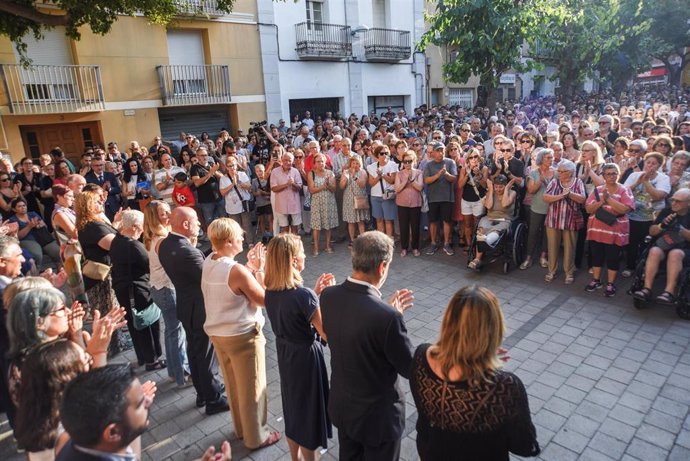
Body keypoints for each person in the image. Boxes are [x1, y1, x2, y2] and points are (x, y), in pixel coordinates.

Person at [410, 285, 540, 460]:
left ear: (448, 320)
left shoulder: (421, 356)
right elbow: (523, 445)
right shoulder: (505, 387)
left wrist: (475, 355)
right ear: (494, 328)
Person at [320, 231, 414, 460]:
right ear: (382, 267)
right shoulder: (388, 317)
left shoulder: (328, 296)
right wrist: (392, 312)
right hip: (378, 420)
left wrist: (384, 309)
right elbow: (410, 367)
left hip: (344, 408)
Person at [201, 218, 281, 449]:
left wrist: (250, 267)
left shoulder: (209, 260)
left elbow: (233, 284)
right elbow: (265, 299)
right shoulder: (235, 270)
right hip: (242, 336)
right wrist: (259, 269)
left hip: (219, 335)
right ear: (227, 241)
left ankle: (240, 429)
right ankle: (257, 437)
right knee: (252, 388)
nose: (243, 237)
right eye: (239, 236)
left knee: (234, 385)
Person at [264, 234, 333, 460]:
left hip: (286, 354)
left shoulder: (271, 291)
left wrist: (315, 294)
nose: (305, 255)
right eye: (302, 252)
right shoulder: (304, 296)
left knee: (293, 408)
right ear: (293, 260)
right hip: (306, 358)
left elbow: (292, 310)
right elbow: (326, 333)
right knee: (309, 414)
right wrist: (325, 299)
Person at [158, 207, 228, 415]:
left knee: (195, 351)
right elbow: (208, 276)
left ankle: (203, 391)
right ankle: (213, 399)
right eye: (196, 221)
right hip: (199, 309)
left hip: (186, 306)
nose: (199, 225)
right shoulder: (186, 251)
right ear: (186, 224)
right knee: (206, 355)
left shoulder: (166, 244)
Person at [109, 210, 165, 370]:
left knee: (135, 326)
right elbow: (150, 267)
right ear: (134, 226)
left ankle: (142, 357)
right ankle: (152, 360)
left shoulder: (116, 240)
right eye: (141, 225)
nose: (143, 228)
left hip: (124, 290)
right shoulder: (134, 246)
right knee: (147, 324)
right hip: (138, 291)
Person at [142, 200, 190, 387]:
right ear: (155, 218)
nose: (169, 215)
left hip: (159, 288)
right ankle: (181, 373)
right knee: (176, 333)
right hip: (166, 290)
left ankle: (174, 371)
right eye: (164, 213)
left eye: (169, 211)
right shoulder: (161, 240)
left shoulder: (154, 236)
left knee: (172, 331)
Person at [584, 164, 634, 297]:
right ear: (604, 176)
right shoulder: (597, 189)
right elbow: (588, 209)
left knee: (613, 258)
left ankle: (611, 284)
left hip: (615, 230)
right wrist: (601, 202)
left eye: (614, 173)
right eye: (609, 174)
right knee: (596, 256)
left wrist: (609, 199)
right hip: (596, 230)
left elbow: (625, 209)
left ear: (618, 174)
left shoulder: (624, 190)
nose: (612, 176)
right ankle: (596, 280)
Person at [633, 188, 690, 304]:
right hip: (663, 246)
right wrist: (661, 225)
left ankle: (668, 292)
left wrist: (680, 229)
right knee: (654, 250)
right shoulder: (666, 211)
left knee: (675, 254)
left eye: (678, 201)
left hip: (684, 250)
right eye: (673, 200)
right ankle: (646, 289)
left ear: (688, 203)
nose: (673, 203)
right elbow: (652, 232)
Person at [622, 152, 671, 276]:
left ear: (659, 166)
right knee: (631, 243)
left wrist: (647, 182)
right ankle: (630, 266)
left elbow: (659, 196)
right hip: (632, 216)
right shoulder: (634, 175)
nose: (650, 166)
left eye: (654, 164)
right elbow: (623, 192)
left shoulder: (663, 178)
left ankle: (644, 269)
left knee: (646, 244)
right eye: (648, 162)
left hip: (651, 217)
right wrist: (638, 182)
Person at [543, 160, 586, 284]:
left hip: (570, 220)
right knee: (552, 247)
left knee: (570, 248)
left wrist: (570, 194)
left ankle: (569, 272)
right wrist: (561, 196)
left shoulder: (578, 182)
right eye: (559, 171)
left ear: (571, 172)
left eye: (563, 171)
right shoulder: (555, 182)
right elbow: (545, 197)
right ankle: (551, 271)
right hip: (553, 220)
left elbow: (583, 199)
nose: (560, 173)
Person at [468, 175, 517, 270]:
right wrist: (490, 190)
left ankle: (488, 240)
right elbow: (488, 206)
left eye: (501, 187)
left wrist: (506, 190)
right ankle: (477, 259)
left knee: (496, 230)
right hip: (489, 217)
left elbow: (505, 204)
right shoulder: (491, 192)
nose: (498, 189)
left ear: (506, 185)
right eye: (496, 187)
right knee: (481, 229)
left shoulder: (512, 192)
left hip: (504, 219)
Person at [521, 148, 554, 269]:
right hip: (536, 208)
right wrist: (540, 181)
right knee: (532, 233)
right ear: (541, 159)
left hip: (551, 209)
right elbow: (531, 190)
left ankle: (543, 257)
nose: (551, 160)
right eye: (548, 158)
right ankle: (528, 257)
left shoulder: (555, 173)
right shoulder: (533, 173)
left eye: (552, 158)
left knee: (547, 234)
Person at [424, 142, 458, 256]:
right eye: (438, 151)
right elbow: (426, 180)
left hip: (447, 198)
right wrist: (438, 175)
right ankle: (433, 243)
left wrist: (446, 174)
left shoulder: (450, 162)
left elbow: (454, 179)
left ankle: (446, 244)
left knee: (447, 221)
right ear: (432, 153)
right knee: (433, 222)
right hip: (433, 198)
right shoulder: (429, 165)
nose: (440, 153)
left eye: (442, 150)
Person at [10, 197, 60, 268]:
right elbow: (18, 236)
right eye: (19, 206)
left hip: (42, 237)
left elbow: (45, 226)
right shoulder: (13, 220)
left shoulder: (32, 214)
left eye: (24, 205)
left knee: (57, 251)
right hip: (28, 240)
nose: (23, 208)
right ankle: (37, 273)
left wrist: (40, 224)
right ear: (14, 209)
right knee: (37, 255)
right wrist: (29, 226)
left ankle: (60, 270)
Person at [307, 153, 338, 256]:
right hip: (316, 202)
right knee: (316, 226)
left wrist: (328, 185)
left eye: (322, 161)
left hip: (328, 202)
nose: (320, 163)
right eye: (318, 161)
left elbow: (334, 189)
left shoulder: (330, 173)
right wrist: (323, 187)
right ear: (314, 163)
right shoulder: (311, 173)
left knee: (328, 225)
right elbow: (311, 190)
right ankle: (316, 248)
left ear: (325, 162)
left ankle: (328, 246)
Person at [219, 156, 254, 247]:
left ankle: (250, 242)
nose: (232, 168)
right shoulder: (223, 179)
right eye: (230, 166)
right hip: (232, 207)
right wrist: (232, 184)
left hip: (243, 204)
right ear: (226, 167)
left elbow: (249, 187)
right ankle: (238, 244)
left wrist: (239, 183)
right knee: (235, 227)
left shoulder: (242, 174)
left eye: (233, 165)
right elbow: (222, 192)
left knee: (247, 225)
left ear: (236, 165)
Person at [394, 150, 423, 256]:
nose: (407, 164)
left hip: (415, 203)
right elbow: (397, 189)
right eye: (405, 161)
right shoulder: (399, 174)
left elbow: (419, 187)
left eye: (409, 161)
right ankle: (404, 248)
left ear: (414, 161)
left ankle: (415, 247)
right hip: (402, 204)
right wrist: (405, 180)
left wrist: (411, 180)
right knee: (403, 226)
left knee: (415, 226)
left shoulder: (419, 172)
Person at [367, 145, 398, 238]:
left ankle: (389, 241)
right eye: (382, 153)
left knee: (388, 220)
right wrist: (378, 177)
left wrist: (383, 174)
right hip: (375, 196)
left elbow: (392, 180)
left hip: (388, 196)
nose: (384, 155)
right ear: (377, 155)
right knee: (379, 220)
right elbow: (371, 183)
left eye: (386, 153)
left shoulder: (393, 165)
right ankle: (382, 241)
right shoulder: (371, 167)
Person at [191, 146, 225, 228]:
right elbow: (197, 183)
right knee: (210, 223)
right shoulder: (195, 168)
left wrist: (215, 172)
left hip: (218, 197)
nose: (205, 157)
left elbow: (222, 177)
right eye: (202, 155)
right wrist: (210, 173)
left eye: (206, 155)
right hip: (206, 201)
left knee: (223, 219)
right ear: (197, 156)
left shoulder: (211, 164)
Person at [271, 152, 303, 233]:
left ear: (292, 162)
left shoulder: (295, 171)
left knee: (295, 227)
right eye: (285, 160)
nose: (287, 162)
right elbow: (273, 188)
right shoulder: (275, 171)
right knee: (284, 228)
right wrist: (286, 185)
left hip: (294, 204)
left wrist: (293, 184)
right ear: (281, 160)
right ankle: (285, 245)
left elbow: (299, 187)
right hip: (281, 204)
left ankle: (294, 245)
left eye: (289, 160)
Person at [84, 157, 121, 222]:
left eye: (101, 165)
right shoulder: (88, 178)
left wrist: (110, 188)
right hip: (99, 208)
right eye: (96, 165)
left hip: (113, 206)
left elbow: (118, 189)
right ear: (92, 167)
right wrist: (102, 190)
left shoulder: (110, 175)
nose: (99, 167)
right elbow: (89, 195)